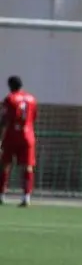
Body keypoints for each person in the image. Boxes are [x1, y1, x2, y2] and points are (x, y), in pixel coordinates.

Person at [0, 76, 38, 207]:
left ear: (10, 86)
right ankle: (26, 197)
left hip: (12, 135)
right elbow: (33, 118)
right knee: (27, 167)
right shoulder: (32, 99)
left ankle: (1, 195)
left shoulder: (9, 99)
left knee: (5, 164)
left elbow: (4, 120)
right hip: (28, 136)